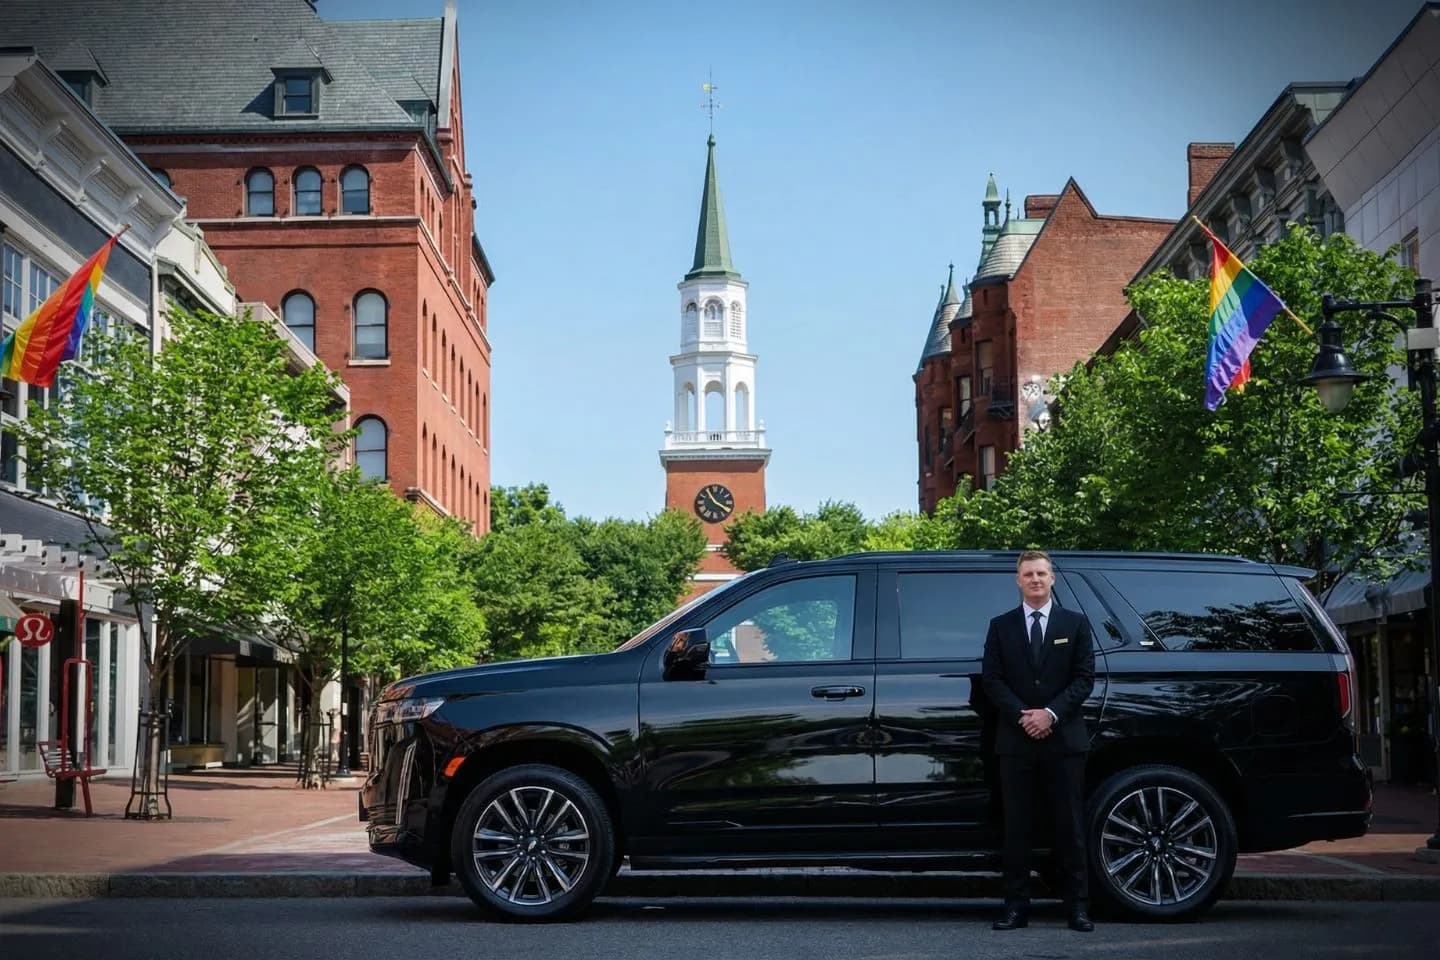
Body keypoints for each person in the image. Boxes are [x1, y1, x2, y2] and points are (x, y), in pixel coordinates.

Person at [981, 550, 1096, 932]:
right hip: (1016, 743)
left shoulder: (1075, 624)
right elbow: (992, 679)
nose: (1035, 579)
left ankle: (1077, 908)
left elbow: (1084, 678)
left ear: (1052, 578)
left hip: (1064, 741)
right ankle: (1016, 908)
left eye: (1041, 573)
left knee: (1070, 827)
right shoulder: (1000, 626)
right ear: (1018, 580)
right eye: (1028, 574)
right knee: (1017, 830)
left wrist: (1050, 714)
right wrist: (1024, 716)